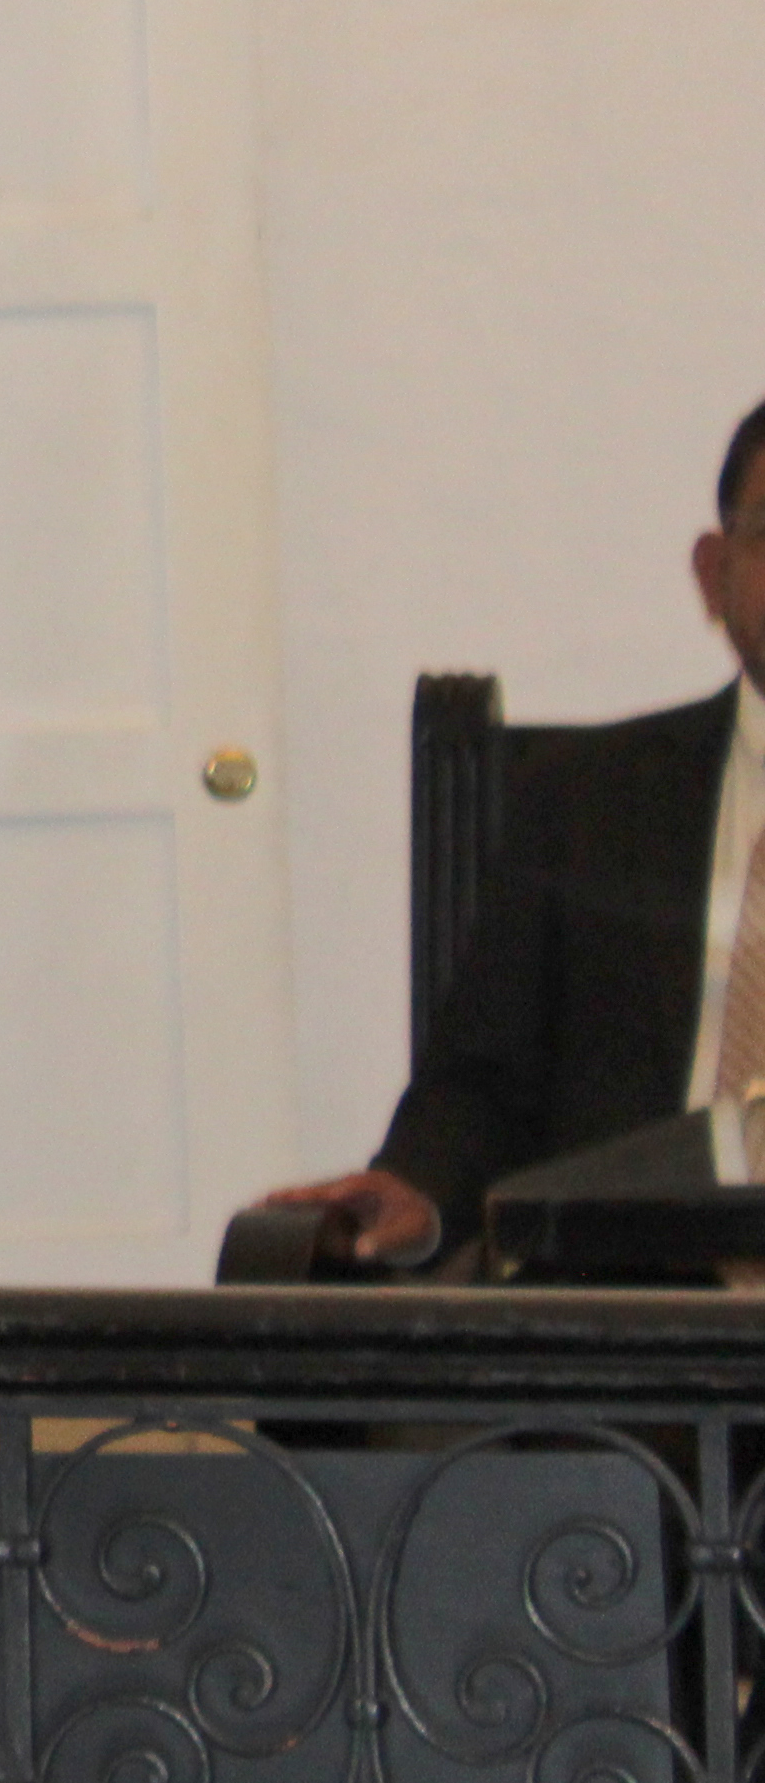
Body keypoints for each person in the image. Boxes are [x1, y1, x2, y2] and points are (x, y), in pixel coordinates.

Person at [253, 400, 765, 1264]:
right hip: (622, 1328)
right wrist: (417, 1188)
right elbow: (483, 1081)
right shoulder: (587, 801)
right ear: (715, 576)